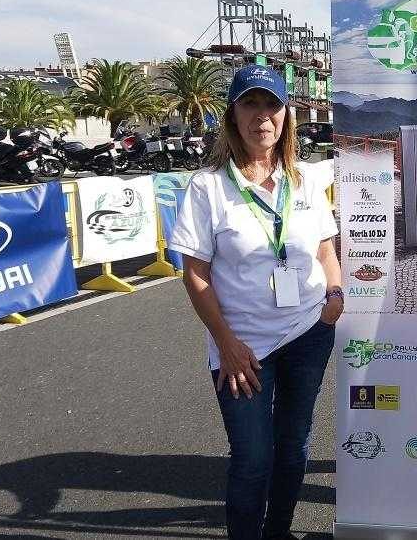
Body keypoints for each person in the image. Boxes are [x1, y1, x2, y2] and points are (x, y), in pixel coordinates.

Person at [169, 64, 343, 540]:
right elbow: (195, 274)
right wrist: (226, 344)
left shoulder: (303, 180)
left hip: (309, 334)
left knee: (294, 447)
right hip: (242, 348)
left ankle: (279, 532)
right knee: (252, 458)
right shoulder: (208, 186)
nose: (261, 116)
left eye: (272, 105)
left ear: (286, 116)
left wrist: (334, 293)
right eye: (250, 104)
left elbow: (326, 249)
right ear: (232, 115)